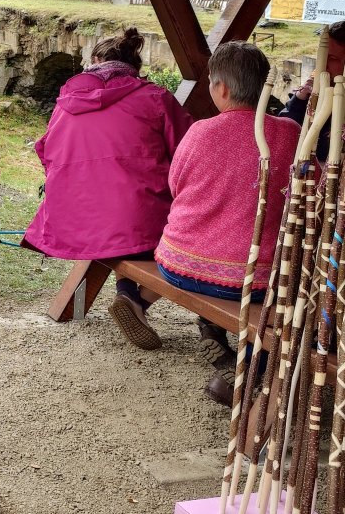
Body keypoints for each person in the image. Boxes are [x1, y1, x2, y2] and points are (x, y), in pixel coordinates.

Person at [126, 42, 298, 405]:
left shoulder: (201, 131)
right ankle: (245, 369)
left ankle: (151, 304)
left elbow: (176, 185)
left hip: (181, 266)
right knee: (290, 302)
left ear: (221, 88)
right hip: (256, 281)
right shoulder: (289, 133)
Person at [22, 28, 193, 349]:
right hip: (136, 218)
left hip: (72, 216)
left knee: (124, 227)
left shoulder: (66, 101)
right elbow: (189, 154)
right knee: (181, 234)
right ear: (135, 68)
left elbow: (46, 151)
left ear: (96, 61)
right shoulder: (155, 98)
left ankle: (130, 298)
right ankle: (135, 299)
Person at [279, 19, 345, 163]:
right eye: (321, 57)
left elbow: (325, 152)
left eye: (332, 58)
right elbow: (284, 133)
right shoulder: (313, 91)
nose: (323, 65)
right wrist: (299, 99)